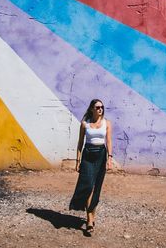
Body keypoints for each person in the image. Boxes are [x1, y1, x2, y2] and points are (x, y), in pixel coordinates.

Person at [69, 99, 113, 234]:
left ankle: (91, 217)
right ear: (92, 109)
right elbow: (80, 143)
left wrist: (109, 158)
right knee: (87, 186)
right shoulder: (84, 124)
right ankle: (89, 218)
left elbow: (109, 141)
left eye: (102, 107)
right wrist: (78, 161)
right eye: (98, 107)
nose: (100, 109)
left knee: (96, 187)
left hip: (101, 154)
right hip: (87, 155)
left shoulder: (107, 123)